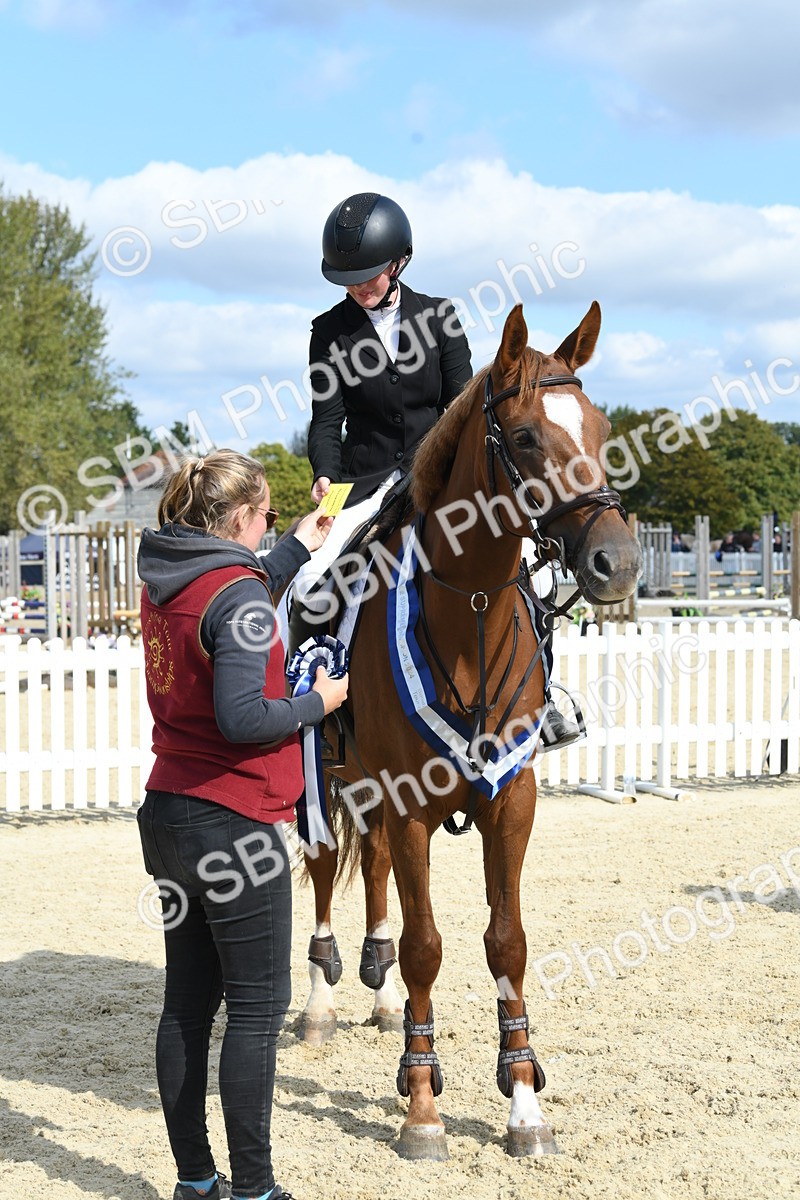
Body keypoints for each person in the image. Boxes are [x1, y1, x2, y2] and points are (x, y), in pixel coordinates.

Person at [136, 449, 348, 1200]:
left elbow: (237, 594)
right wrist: (318, 704)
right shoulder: (242, 593)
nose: (268, 527)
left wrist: (296, 544)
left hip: (167, 813)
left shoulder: (170, 575)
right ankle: (256, 1189)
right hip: (236, 820)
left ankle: (196, 1180)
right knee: (257, 1013)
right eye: (263, 516)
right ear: (238, 520)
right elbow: (245, 716)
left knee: (187, 1006)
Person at [292, 190, 577, 748]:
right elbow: (325, 420)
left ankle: (545, 699)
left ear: (399, 261)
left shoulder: (439, 317)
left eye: (369, 275)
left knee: (525, 575)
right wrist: (325, 474)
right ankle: (321, 713)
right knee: (313, 582)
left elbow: (462, 406)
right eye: (348, 279)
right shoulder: (328, 331)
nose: (358, 287)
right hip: (358, 482)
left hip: (437, 476)